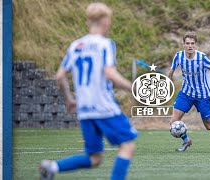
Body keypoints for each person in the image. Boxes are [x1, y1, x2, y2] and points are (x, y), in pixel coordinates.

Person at [39, 3, 138, 180]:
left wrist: (70, 100)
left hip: (84, 110)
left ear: (89, 21)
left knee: (94, 158)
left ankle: (53, 167)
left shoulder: (75, 46)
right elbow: (110, 73)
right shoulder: (105, 44)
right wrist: (133, 88)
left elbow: (60, 76)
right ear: (105, 21)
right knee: (127, 146)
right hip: (104, 107)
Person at [168, 31, 210, 152]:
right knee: (173, 121)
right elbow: (171, 72)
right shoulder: (178, 56)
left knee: (209, 125)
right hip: (186, 93)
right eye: (187, 43)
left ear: (195, 44)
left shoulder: (202, 57)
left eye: (192, 43)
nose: (190, 46)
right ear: (183, 44)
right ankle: (186, 140)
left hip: (202, 95)